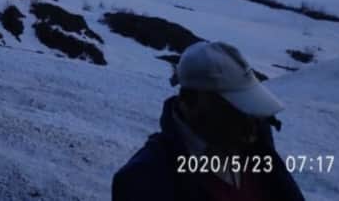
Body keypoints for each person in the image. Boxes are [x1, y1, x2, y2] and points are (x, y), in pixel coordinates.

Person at [112, 40, 304, 200]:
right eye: (234, 110)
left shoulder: (257, 146)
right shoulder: (145, 181)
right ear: (191, 100)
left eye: (251, 109)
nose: (251, 124)